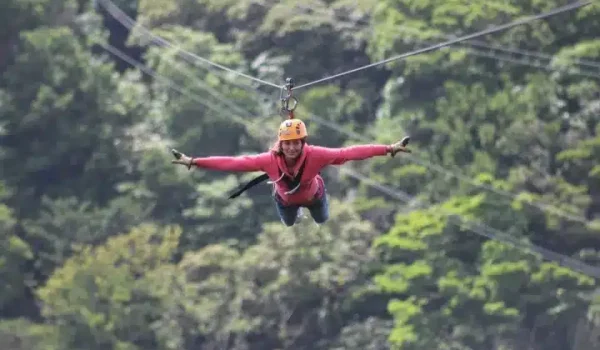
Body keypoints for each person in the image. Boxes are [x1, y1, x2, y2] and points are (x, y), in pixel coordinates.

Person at [171, 119, 411, 226]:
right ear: (281, 143)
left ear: (303, 141)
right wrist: (194, 161)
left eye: (297, 142)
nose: (293, 146)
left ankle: (308, 210)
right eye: (288, 143)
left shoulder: (317, 154)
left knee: (322, 219)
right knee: (288, 223)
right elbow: (232, 163)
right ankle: (295, 214)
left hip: (314, 196)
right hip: (285, 201)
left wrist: (388, 149)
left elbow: (350, 152)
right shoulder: (268, 160)